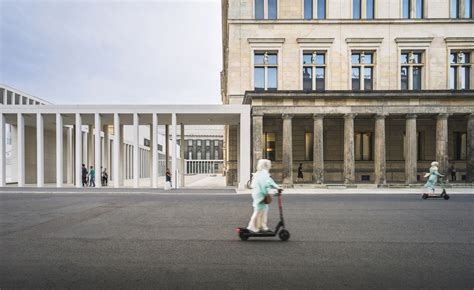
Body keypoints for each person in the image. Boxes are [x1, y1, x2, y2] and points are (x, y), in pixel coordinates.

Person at [247, 159, 281, 233]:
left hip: (258, 193)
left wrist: (276, 187)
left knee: (263, 210)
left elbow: (269, 182)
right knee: (259, 210)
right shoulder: (264, 173)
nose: (270, 166)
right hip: (261, 194)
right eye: (269, 165)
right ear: (266, 165)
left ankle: (262, 226)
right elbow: (267, 183)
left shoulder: (260, 173)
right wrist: (276, 188)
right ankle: (253, 227)